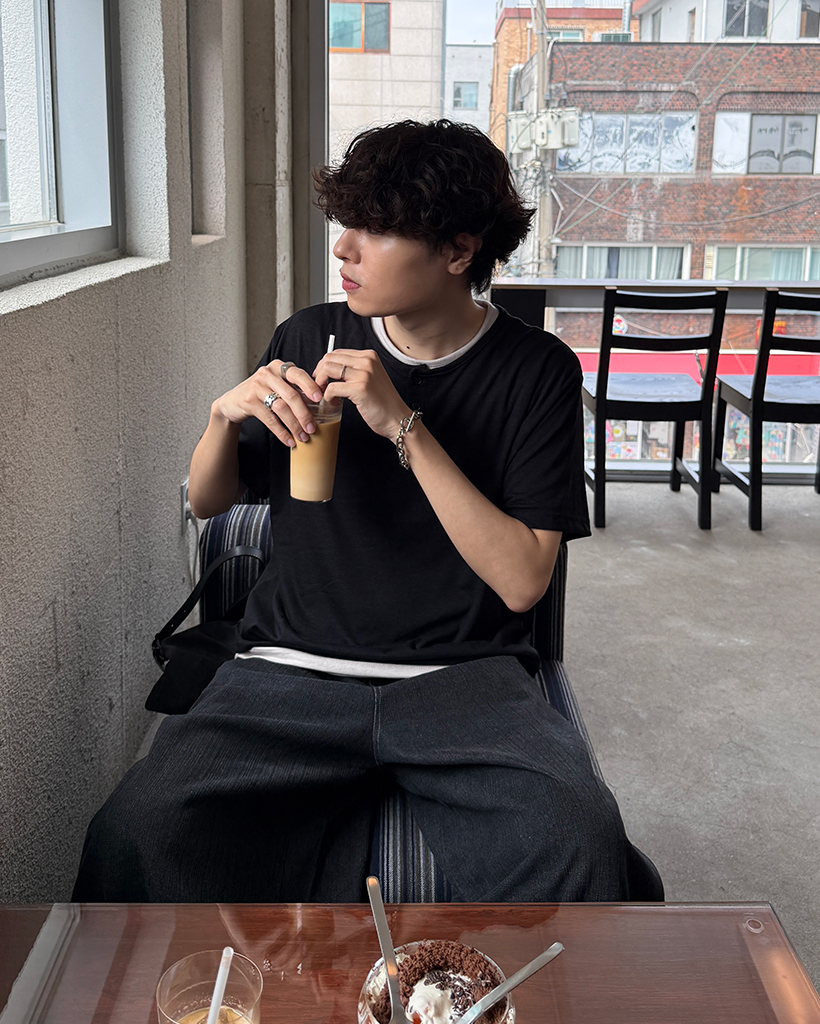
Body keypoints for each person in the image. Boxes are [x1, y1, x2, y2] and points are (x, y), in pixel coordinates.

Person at [73, 120, 661, 903]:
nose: (344, 249)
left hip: (463, 680)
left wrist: (401, 424)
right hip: (288, 670)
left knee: (578, 837)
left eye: (376, 231)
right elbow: (211, 502)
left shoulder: (535, 370)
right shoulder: (309, 336)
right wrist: (221, 417)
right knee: (137, 831)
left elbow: (524, 582)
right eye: (346, 223)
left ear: (459, 250)